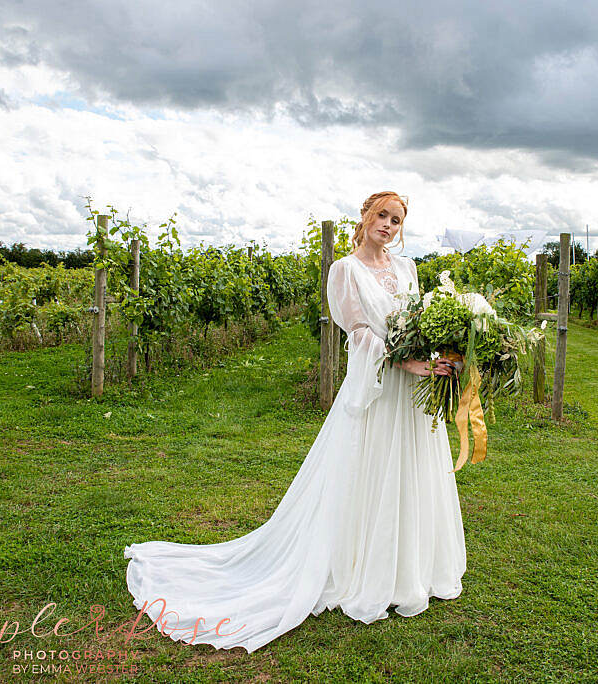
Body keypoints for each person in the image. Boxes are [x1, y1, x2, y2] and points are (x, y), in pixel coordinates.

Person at [123, 191, 467, 653]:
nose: (388, 225)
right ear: (365, 217)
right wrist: (404, 364)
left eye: (396, 219)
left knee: (409, 475)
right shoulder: (344, 270)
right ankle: (359, 569)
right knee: (367, 475)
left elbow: (421, 325)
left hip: (411, 395)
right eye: (382, 215)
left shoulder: (408, 269)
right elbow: (359, 333)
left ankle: (408, 570)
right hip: (378, 390)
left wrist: (439, 357)